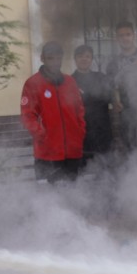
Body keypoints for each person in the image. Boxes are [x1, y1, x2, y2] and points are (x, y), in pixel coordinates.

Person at [20, 41, 86, 183]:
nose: (55, 62)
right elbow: (27, 116)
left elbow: (79, 111)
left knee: (72, 193)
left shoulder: (70, 81)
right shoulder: (33, 83)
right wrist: (42, 135)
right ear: (42, 58)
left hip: (73, 151)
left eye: (58, 58)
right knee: (48, 199)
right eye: (51, 58)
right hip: (47, 154)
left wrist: (79, 133)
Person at [71, 44, 113, 160]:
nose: (84, 59)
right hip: (81, 135)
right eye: (80, 56)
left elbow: (112, 99)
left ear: (91, 59)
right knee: (84, 172)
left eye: (87, 56)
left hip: (102, 132)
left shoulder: (101, 78)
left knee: (105, 170)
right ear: (75, 59)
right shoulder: (69, 81)